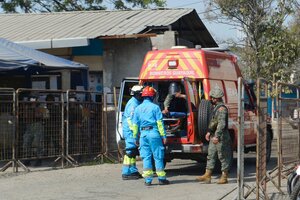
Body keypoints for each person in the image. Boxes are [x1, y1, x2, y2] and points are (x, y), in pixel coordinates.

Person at [132, 86, 170, 186]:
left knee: (146, 157)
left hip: (143, 135)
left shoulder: (137, 109)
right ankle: (161, 178)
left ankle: (148, 180)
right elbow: (160, 123)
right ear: (152, 96)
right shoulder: (155, 108)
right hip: (154, 134)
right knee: (158, 156)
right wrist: (164, 136)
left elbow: (135, 125)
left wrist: (135, 137)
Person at [196, 87, 231, 184]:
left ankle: (224, 176)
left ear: (216, 98)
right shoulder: (215, 108)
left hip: (221, 136)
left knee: (223, 156)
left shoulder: (222, 109)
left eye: (212, 97)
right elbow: (214, 121)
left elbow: (221, 124)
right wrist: (209, 132)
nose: (211, 99)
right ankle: (208, 175)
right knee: (211, 155)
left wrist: (217, 136)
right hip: (214, 135)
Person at [121, 85, 144, 180]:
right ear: (137, 94)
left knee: (132, 152)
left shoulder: (136, 102)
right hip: (130, 131)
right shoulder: (133, 104)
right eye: (141, 94)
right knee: (130, 152)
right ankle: (126, 172)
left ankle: (133, 170)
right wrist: (135, 133)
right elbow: (130, 120)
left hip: (131, 131)